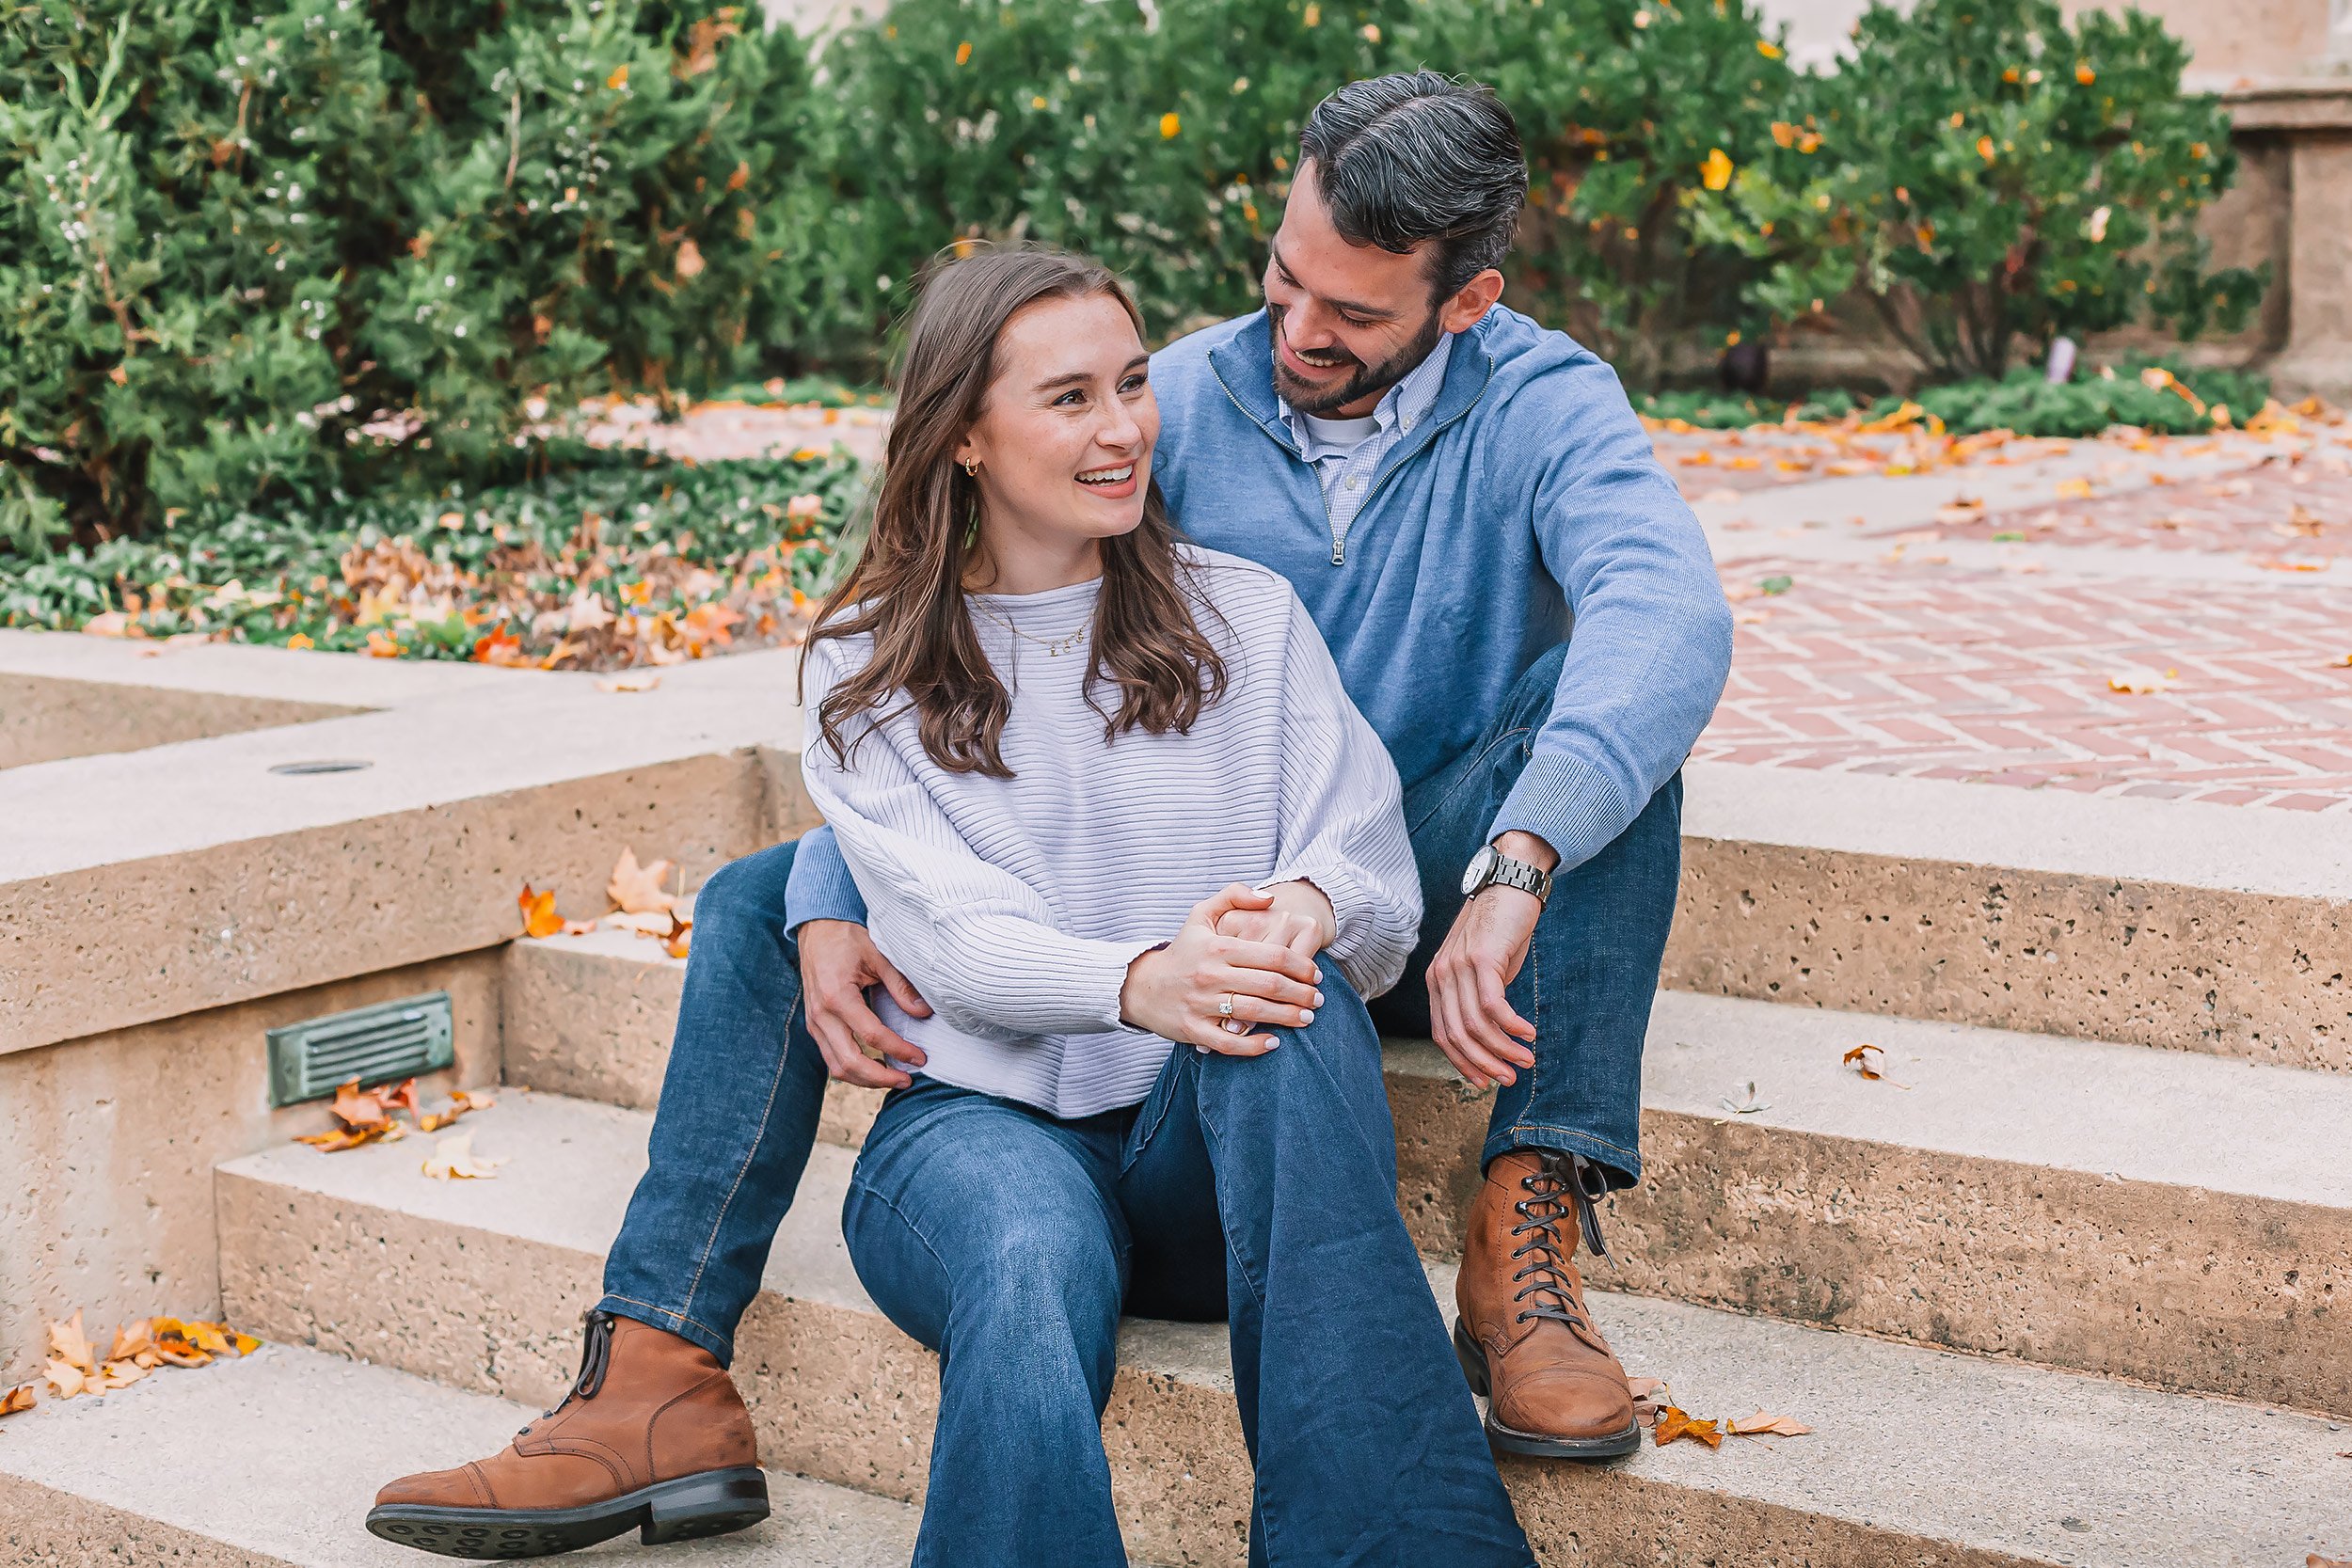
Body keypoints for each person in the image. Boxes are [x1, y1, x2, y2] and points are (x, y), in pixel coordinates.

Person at [371, 67, 1733, 1554]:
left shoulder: (1531, 409)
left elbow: (1658, 618)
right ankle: (655, 1371)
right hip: (1123, 965)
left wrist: (1504, 863)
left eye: (1349, 313)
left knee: (1595, 764)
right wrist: (857, 887)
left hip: (1404, 857)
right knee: (781, 903)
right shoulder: (1195, 397)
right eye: (1283, 278)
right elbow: (957, 737)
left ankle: (1524, 1216)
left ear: (1459, 303)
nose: (1295, 332)